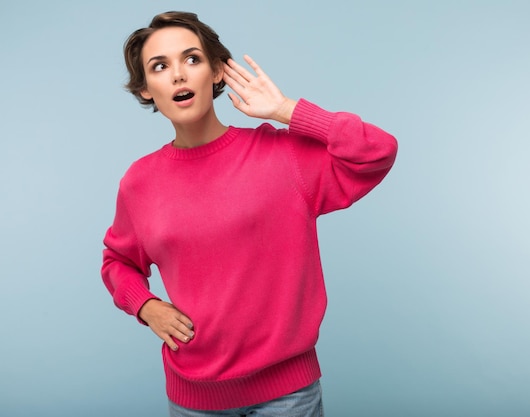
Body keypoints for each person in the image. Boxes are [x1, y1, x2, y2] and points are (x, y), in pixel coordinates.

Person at [101, 10, 398, 417]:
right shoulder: (140, 182)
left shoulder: (281, 154)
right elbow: (117, 262)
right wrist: (145, 305)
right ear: (147, 90)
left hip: (289, 395)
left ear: (218, 72)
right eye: (160, 66)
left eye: (192, 59)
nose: (178, 76)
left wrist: (287, 111)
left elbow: (377, 151)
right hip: (193, 399)